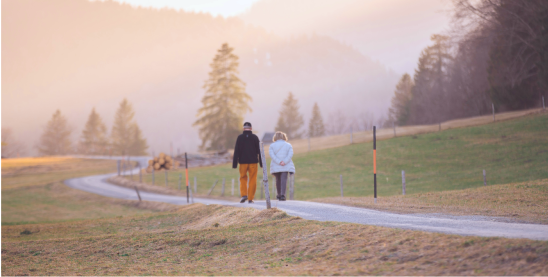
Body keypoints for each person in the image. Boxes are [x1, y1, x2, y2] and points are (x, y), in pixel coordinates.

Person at [233, 122, 262, 204]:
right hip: (253, 162)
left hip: (242, 162)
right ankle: (250, 198)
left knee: (243, 178)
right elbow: (259, 151)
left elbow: (236, 151)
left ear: (243, 129)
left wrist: (235, 163)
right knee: (253, 179)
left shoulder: (240, 137)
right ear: (251, 128)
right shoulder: (255, 137)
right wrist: (261, 163)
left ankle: (244, 195)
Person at [269, 131, 295, 201]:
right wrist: (284, 162)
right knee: (284, 180)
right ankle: (283, 195)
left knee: (277, 180)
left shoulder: (272, 146)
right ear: (284, 137)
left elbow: (272, 155)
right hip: (285, 165)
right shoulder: (288, 145)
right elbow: (290, 154)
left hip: (276, 165)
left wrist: (279, 162)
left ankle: (279, 194)